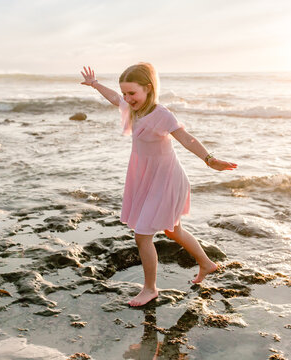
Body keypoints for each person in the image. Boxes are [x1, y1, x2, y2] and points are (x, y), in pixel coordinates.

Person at [80, 63, 237, 307]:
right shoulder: (134, 110)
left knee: (142, 236)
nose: (127, 98)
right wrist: (95, 84)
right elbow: (113, 98)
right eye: (125, 93)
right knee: (174, 230)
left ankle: (150, 289)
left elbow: (186, 138)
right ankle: (207, 264)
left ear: (148, 88)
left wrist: (210, 160)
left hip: (167, 180)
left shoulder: (161, 114)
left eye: (132, 93)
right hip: (148, 179)